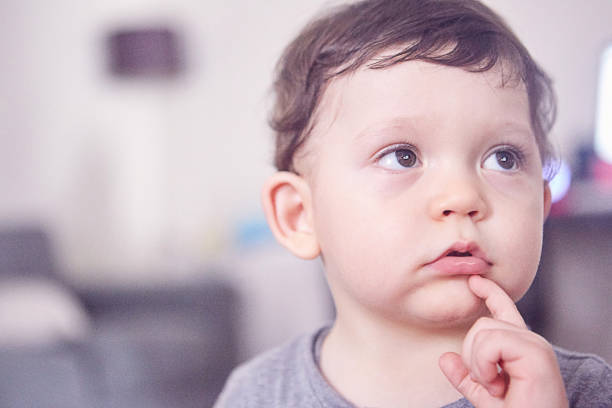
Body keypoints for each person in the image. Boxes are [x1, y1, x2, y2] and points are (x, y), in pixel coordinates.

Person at [215, 0, 612, 406]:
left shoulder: (585, 394)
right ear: (300, 216)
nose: (462, 197)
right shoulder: (256, 396)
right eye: (402, 156)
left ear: (541, 207)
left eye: (503, 158)